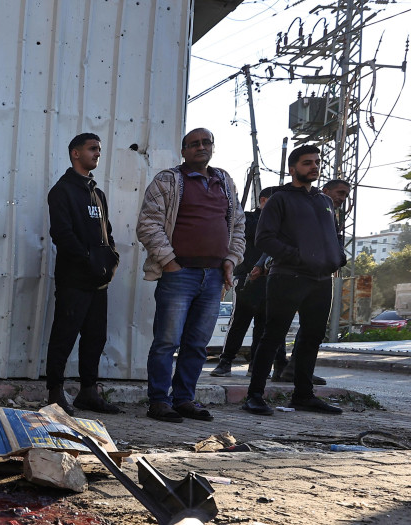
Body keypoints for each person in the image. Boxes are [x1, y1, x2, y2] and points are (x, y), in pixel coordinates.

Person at [136, 128, 245, 423]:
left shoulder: (224, 181)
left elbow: (238, 226)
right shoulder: (168, 180)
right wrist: (170, 263)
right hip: (179, 274)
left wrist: (231, 261)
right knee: (167, 341)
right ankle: (159, 401)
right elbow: (148, 225)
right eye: (194, 144)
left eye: (206, 142)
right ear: (183, 151)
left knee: (197, 344)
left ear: (213, 147)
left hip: (213, 278)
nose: (201, 147)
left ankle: (185, 399)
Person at [242, 145, 347, 416]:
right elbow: (264, 238)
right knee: (273, 336)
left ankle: (303, 395)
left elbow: (332, 235)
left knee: (312, 337)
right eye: (307, 163)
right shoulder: (280, 199)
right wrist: (297, 257)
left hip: (321, 279)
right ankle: (254, 396)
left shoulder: (324, 201)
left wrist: (337, 257)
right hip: (288, 276)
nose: (314, 166)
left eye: (316, 162)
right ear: (293, 168)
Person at [42, 133, 121, 415]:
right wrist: (88, 260)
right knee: (65, 335)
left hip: (99, 280)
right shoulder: (62, 191)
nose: (97, 153)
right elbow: (61, 234)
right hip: (74, 279)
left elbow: (107, 234)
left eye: (99, 149)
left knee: (95, 337)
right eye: (92, 149)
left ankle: (89, 392)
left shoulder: (97, 194)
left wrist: (111, 260)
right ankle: (54, 393)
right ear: (75, 153)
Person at [210, 186, 283, 378]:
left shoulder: (281, 223)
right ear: (264, 201)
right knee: (240, 323)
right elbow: (244, 233)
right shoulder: (249, 219)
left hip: (271, 280)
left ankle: (255, 365)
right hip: (247, 279)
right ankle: (225, 362)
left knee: (263, 325)